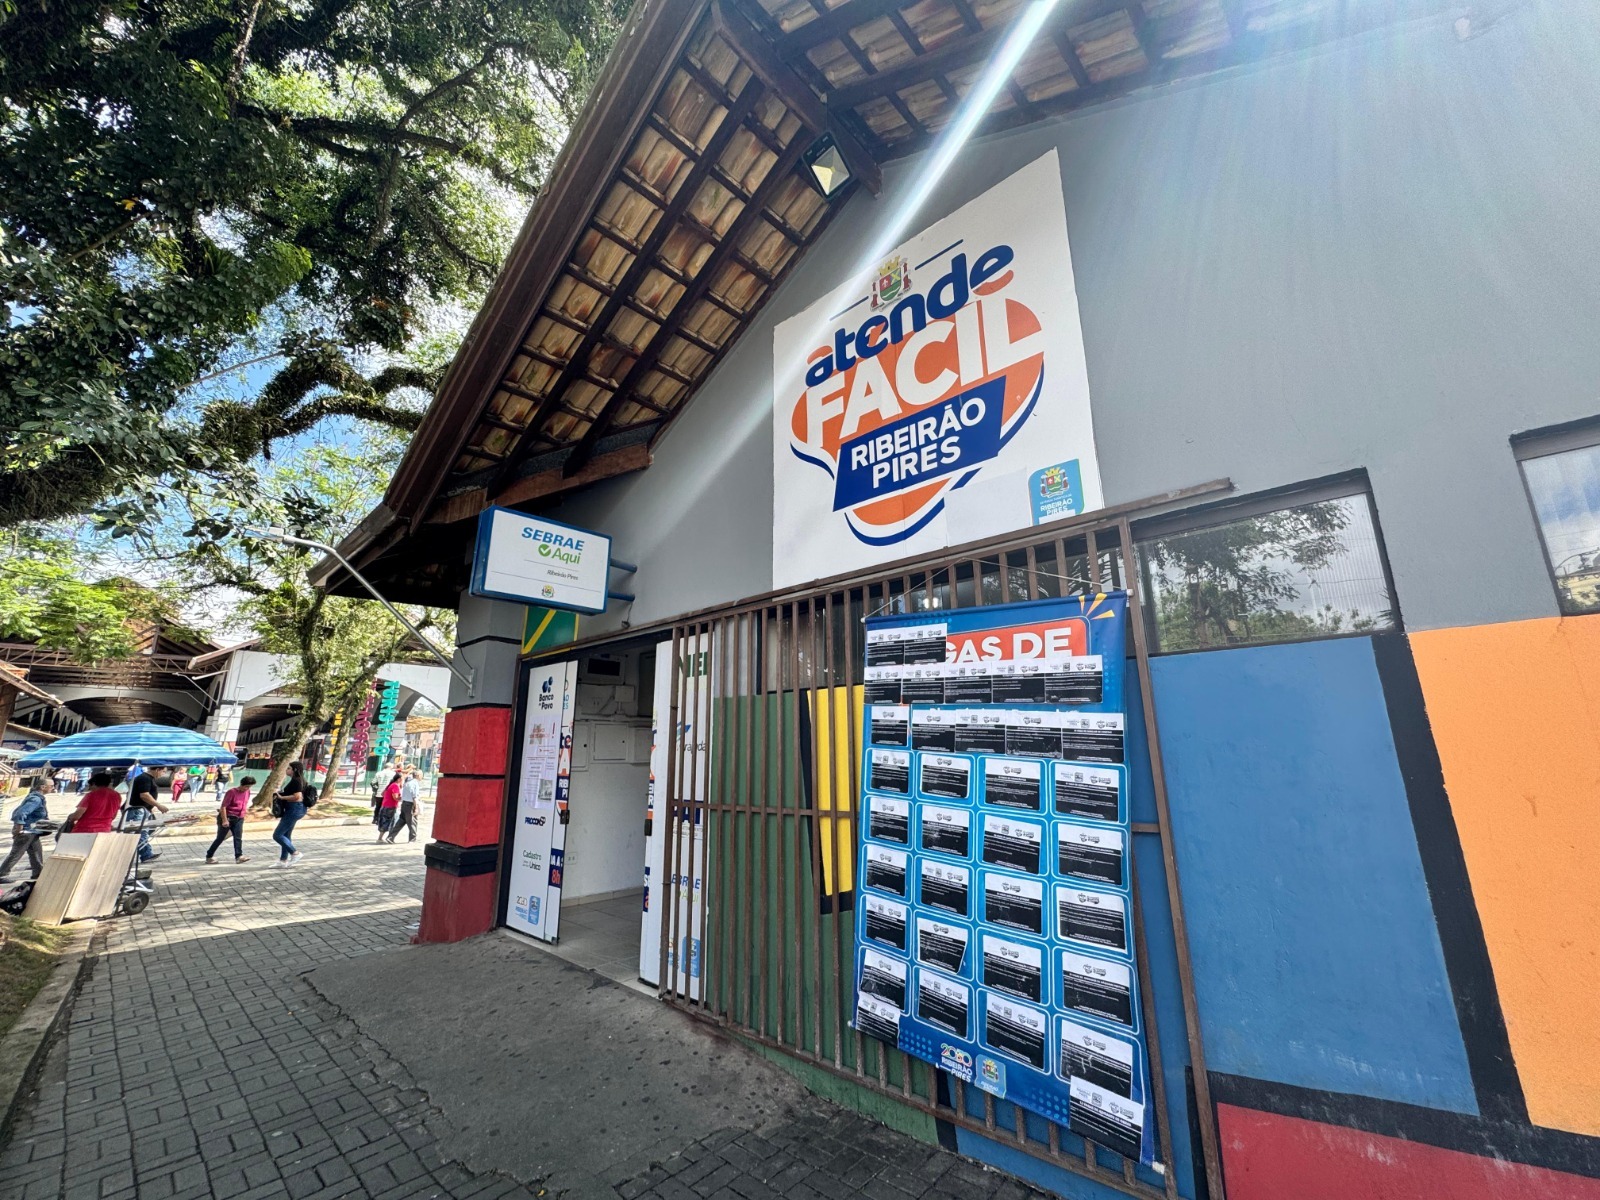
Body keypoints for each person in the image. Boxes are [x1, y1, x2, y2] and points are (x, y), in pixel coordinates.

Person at [0, 774, 54, 882]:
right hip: (26, 831)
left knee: (36, 852)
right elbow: (20, 813)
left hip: (33, 831)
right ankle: (2, 874)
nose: (53, 788)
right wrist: (19, 826)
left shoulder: (38, 798)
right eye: (51, 786)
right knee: (16, 853)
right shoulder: (35, 799)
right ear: (43, 787)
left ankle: (38, 874)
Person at [205, 775, 254, 864]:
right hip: (228, 817)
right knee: (220, 838)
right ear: (242, 784)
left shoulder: (247, 792)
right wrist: (224, 820)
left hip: (239, 818)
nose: (247, 788)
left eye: (249, 787)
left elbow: (244, 804)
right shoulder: (232, 792)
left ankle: (239, 856)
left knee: (238, 837)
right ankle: (209, 855)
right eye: (246, 786)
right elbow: (223, 806)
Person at [126, 765, 169, 861]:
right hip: (137, 810)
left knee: (145, 831)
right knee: (139, 831)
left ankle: (146, 853)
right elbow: (144, 795)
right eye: (163, 771)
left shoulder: (148, 778)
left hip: (143, 809)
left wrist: (150, 807)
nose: (163, 774)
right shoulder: (144, 778)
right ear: (157, 770)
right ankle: (145, 854)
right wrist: (158, 805)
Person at [271, 761, 308, 867]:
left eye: (289, 768)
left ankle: (295, 853)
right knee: (286, 835)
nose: (286, 770)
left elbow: (297, 797)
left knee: (277, 835)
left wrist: (282, 797)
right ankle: (283, 860)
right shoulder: (300, 780)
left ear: (294, 770)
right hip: (295, 808)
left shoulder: (296, 781)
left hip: (294, 809)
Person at [386, 770, 420, 844]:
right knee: (412, 822)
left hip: (404, 804)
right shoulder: (415, 783)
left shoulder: (407, 783)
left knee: (401, 821)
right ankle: (412, 839)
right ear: (418, 775)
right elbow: (414, 796)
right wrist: (416, 807)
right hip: (410, 804)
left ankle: (390, 837)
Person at [375, 772, 402, 843]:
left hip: (385, 805)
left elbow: (382, 794)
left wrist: (388, 797)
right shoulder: (395, 786)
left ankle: (380, 838)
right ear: (399, 779)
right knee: (392, 822)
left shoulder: (390, 785)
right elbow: (395, 797)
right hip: (391, 806)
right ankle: (390, 838)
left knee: (384, 822)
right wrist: (403, 798)